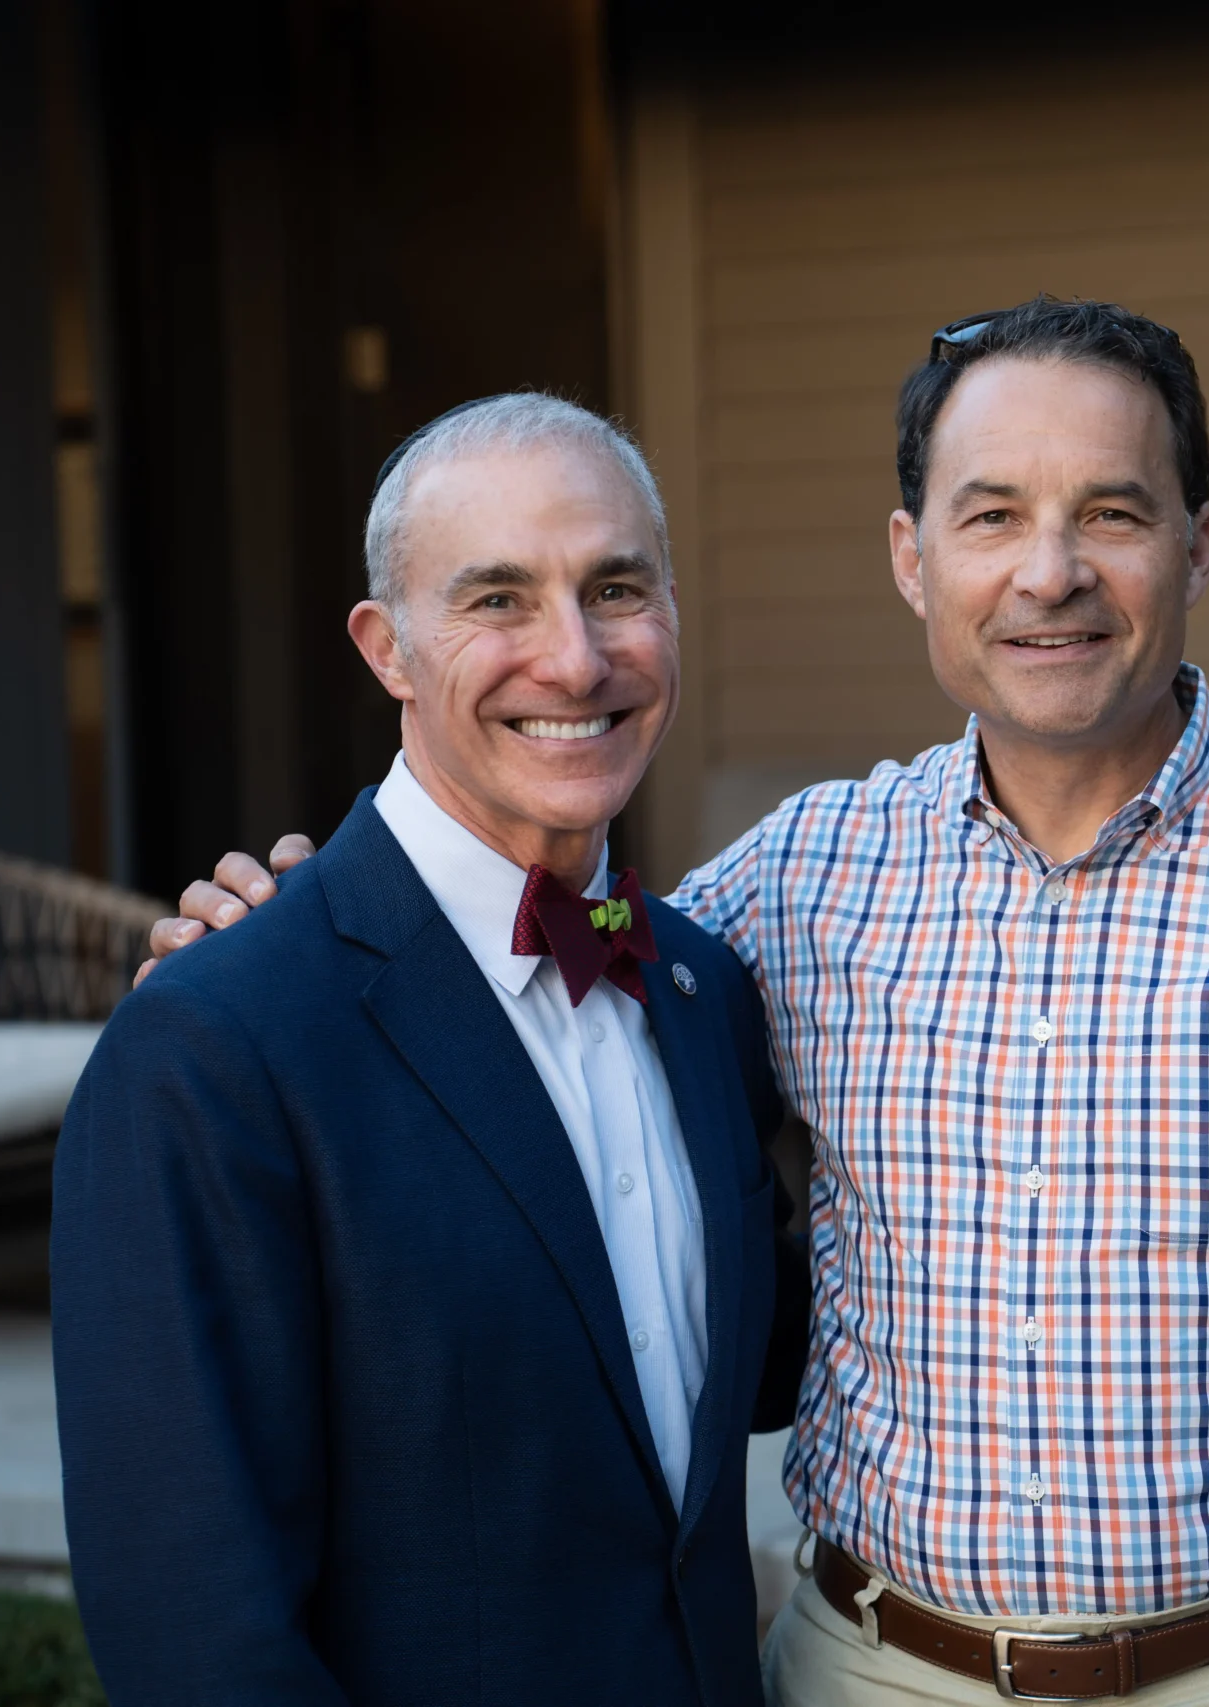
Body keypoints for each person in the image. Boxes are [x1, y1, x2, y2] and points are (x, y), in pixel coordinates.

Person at [153, 298, 1209, 1706]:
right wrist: (290, 940)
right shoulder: (799, 882)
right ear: (911, 556)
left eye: (1113, 514)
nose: (1050, 571)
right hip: (866, 1667)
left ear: (1197, 546)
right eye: (991, 514)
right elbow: (525, 971)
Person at [54, 394, 804, 1706]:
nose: (573, 659)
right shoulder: (216, 1042)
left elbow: (734, 1384)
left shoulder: (699, 986)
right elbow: (193, 1628)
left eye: (615, 587)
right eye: (499, 600)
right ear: (386, 646)